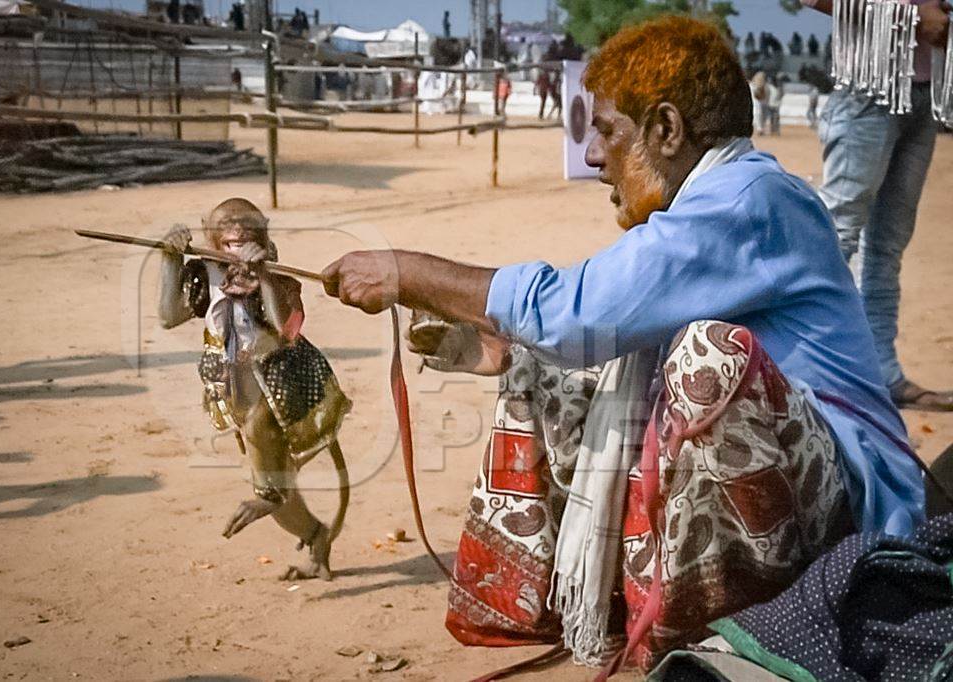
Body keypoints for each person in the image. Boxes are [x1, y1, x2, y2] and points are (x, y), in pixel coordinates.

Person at [320, 16, 924, 669]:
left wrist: (405, 272)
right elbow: (584, 323)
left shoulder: (748, 198)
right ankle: (565, 603)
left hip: (862, 516)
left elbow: (574, 314)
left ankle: (725, 628)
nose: (592, 156)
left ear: (666, 129)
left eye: (608, 131)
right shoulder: (720, 202)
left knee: (706, 357)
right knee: (550, 351)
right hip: (807, 487)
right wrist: (504, 348)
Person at [158, 198, 352, 580]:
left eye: (248, 225)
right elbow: (168, 316)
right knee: (280, 485)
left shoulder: (278, 277)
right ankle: (315, 537)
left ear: (264, 233)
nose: (238, 230)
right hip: (235, 389)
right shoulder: (203, 275)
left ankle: (271, 498)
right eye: (227, 224)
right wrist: (169, 259)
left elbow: (285, 330)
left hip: (283, 386)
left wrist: (262, 275)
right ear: (207, 230)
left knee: (267, 460)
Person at [804, 0, 953, 410]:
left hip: (922, 93)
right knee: (837, 235)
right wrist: (912, 16)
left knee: (887, 246)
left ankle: (882, 375)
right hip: (867, 90)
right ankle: (812, 374)